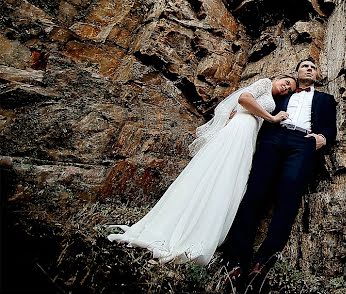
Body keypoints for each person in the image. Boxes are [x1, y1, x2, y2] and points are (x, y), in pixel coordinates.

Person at [106, 74, 296, 265]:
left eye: (290, 89)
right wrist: (272, 118)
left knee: (227, 180)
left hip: (248, 135)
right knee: (218, 171)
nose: (286, 87)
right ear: (277, 78)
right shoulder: (263, 83)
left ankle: (202, 228)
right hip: (239, 128)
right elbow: (244, 99)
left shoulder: (273, 99)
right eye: (286, 82)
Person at [219, 57, 337, 285]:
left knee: (288, 200)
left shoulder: (326, 99)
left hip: (303, 143)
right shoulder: (282, 94)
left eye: (313, 68)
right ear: (297, 71)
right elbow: (255, 103)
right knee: (254, 194)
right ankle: (234, 262)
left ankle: (261, 263)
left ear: (317, 75)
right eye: (305, 66)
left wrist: (321, 138)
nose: (309, 69)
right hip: (274, 138)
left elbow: (330, 127)